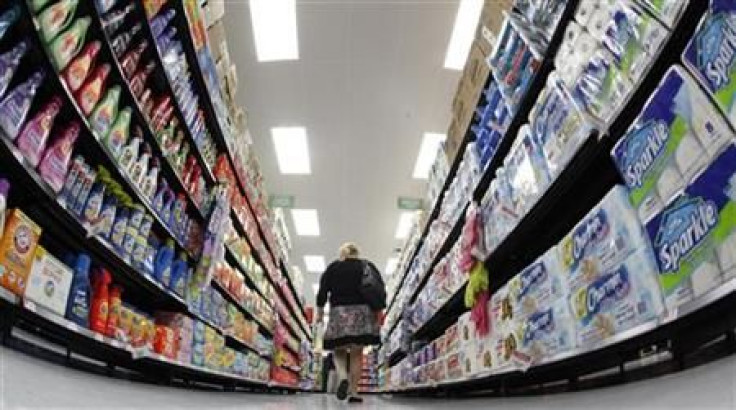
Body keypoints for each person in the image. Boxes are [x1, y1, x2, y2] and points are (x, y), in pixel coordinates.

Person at [316, 243, 385, 403]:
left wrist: (319, 312)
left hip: (339, 312)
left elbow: (323, 291)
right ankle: (354, 392)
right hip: (362, 313)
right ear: (357, 253)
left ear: (343, 254)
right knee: (356, 353)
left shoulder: (333, 267)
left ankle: (342, 377)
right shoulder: (366, 266)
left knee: (337, 349)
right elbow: (378, 289)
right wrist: (378, 312)